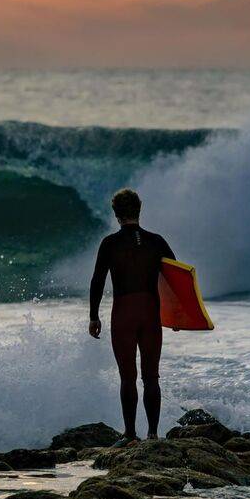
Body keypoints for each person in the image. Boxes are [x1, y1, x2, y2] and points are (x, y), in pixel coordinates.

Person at [88, 188, 175, 441]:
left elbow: (97, 281)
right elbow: (176, 278)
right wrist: (179, 315)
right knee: (151, 376)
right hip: (150, 313)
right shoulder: (156, 241)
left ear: (116, 214)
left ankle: (129, 433)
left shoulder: (110, 243)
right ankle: (153, 434)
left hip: (123, 313)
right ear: (139, 210)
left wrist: (94, 316)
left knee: (128, 377)